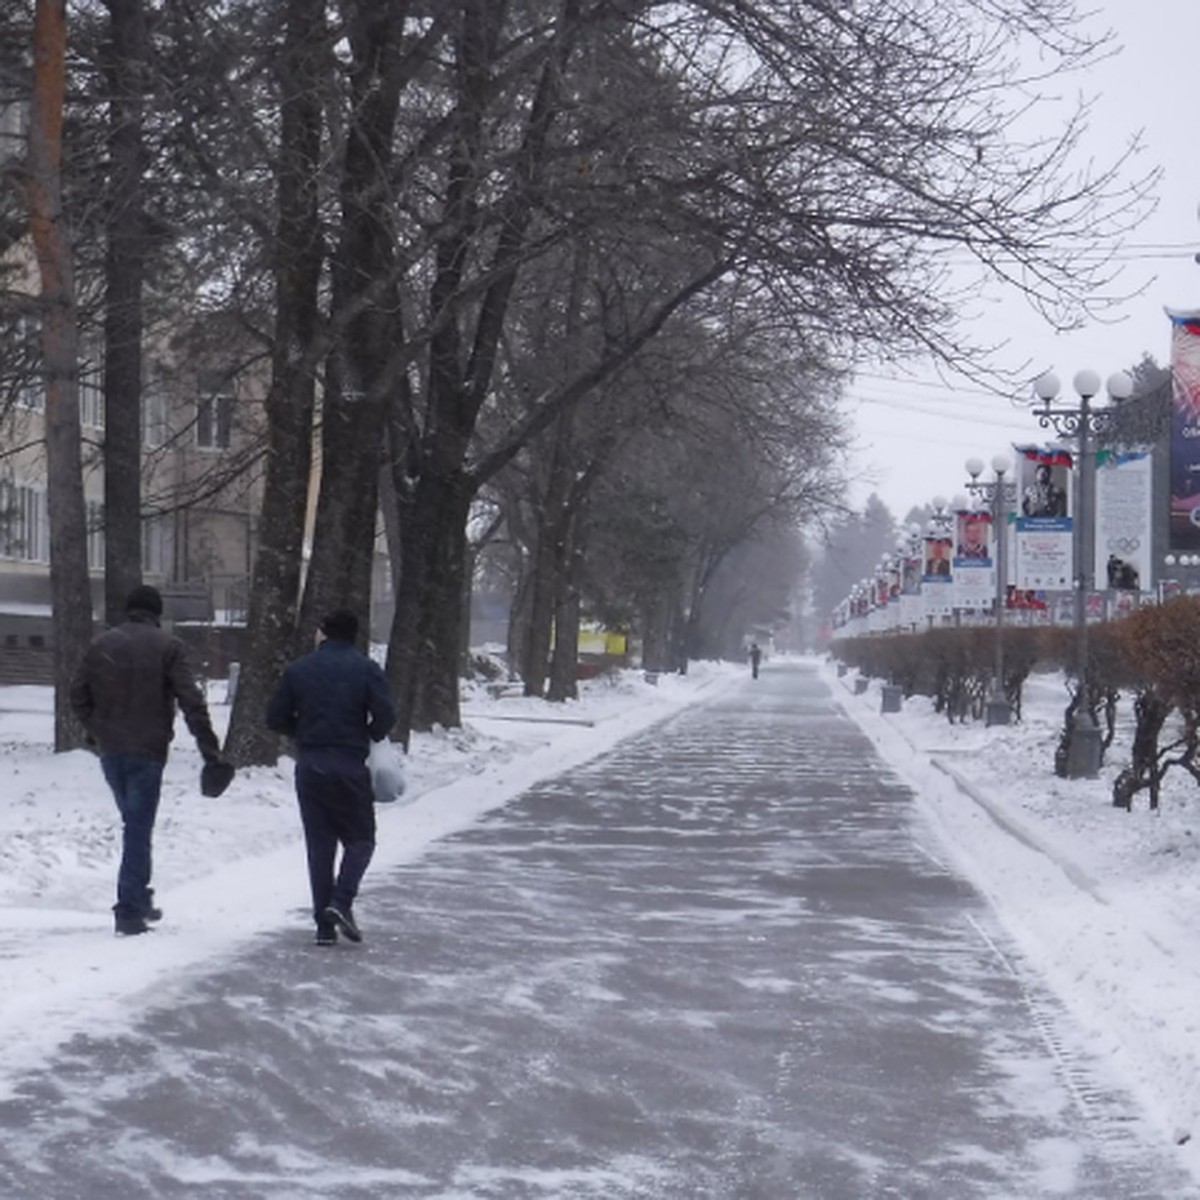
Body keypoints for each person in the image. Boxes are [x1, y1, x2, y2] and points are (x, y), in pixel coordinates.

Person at [70, 584, 227, 936]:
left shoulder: (102, 645)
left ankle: (138, 897)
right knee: (138, 829)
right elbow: (192, 702)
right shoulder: (168, 647)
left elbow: (77, 694)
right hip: (148, 751)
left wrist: (97, 730)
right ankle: (128, 908)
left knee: (134, 824)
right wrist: (210, 751)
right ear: (157, 614)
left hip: (111, 751)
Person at [266, 609, 396, 946]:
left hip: (311, 765)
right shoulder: (367, 670)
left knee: (319, 845)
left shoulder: (299, 670)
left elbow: (275, 717)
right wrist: (365, 733)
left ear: (322, 633)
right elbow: (386, 715)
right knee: (361, 840)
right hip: (350, 763)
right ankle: (341, 901)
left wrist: (304, 733)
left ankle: (324, 927)